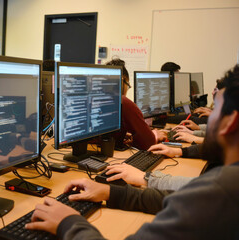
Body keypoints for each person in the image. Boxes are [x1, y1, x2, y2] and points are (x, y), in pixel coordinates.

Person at [25, 64, 239, 239]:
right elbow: (179, 198)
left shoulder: (223, 193)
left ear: (231, 121)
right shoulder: (226, 184)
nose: (207, 117)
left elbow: (192, 200)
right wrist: (111, 192)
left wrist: (68, 223)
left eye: (215, 109)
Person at [106, 58, 167, 150]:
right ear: (123, 81)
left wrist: (122, 134)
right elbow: (148, 142)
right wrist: (154, 135)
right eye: (128, 85)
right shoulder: (122, 101)